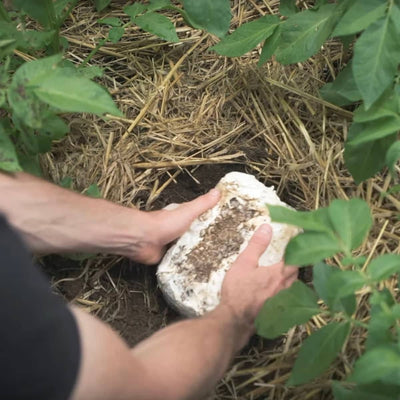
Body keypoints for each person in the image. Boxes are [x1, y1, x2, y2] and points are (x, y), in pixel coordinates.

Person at [0, 171, 297, 400]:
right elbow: (138, 390)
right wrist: (237, 313)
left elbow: (9, 198)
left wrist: (143, 231)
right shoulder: (17, 333)